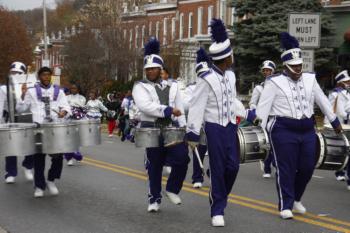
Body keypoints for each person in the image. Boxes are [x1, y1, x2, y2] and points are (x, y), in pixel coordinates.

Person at [256, 32, 342, 219]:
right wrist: (259, 133)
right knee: (286, 168)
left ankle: (296, 198)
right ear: (285, 66)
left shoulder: (310, 79)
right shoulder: (274, 82)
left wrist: (334, 121)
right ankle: (285, 204)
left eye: (300, 65)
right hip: (282, 129)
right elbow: (262, 110)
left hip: (306, 128)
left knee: (307, 166)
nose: (298, 69)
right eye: (293, 66)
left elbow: (323, 101)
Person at [185, 19, 257, 227]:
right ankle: (218, 208)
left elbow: (232, 101)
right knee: (218, 167)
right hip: (214, 128)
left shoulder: (231, 76)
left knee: (233, 167)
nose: (233, 56)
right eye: (231, 54)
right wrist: (193, 133)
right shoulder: (206, 79)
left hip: (230, 126)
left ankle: (218, 193)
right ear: (226, 57)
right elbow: (197, 106)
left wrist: (246, 114)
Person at [132, 38, 189, 213]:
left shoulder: (173, 86)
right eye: (147, 69)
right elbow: (144, 106)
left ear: (160, 69)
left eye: (154, 68)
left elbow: (181, 109)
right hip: (151, 128)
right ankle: (154, 199)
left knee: (182, 159)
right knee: (154, 165)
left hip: (172, 129)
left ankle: (172, 188)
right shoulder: (139, 86)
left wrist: (184, 127)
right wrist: (167, 110)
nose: (150, 72)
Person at [17, 66, 72, 197]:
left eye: (48, 75)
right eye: (43, 75)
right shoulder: (31, 91)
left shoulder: (59, 91)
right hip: (38, 128)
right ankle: (39, 186)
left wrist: (63, 112)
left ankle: (51, 180)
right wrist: (23, 95)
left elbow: (66, 107)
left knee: (58, 157)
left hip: (54, 128)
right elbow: (21, 109)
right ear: (39, 77)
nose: (46, 77)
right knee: (39, 158)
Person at [4, 61, 34, 184]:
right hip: (9, 120)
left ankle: (28, 166)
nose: (15, 75)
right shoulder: (4, 88)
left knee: (31, 146)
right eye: (13, 72)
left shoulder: (31, 87)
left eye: (18, 73)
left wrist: (24, 92)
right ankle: (10, 173)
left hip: (28, 119)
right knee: (10, 147)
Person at [249, 60, 277, 179]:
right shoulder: (259, 88)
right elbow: (252, 103)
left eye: (268, 70)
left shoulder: (278, 85)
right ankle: (267, 168)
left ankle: (276, 164)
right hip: (263, 119)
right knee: (267, 144)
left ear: (273, 71)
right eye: (264, 70)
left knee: (276, 143)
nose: (266, 72)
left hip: (275, 118)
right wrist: (256, 111)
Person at [325, 70, 350, 185]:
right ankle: (339, 172)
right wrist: (348, 115)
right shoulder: (337, 93)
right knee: (341, 147)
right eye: (346, 81)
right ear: (340, 82)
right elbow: (340, 112)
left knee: (346, 148)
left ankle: (344, 170)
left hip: (346, 123)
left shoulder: (346, 93)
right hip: (338, 123)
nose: (348, 83)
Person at [65, 83, 86, 166]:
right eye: (72, 88)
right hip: (68, 118)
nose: (73, 90)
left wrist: (72, 104)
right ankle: (69, 158)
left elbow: (82, 105)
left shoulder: (82, 97)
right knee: (69, 138)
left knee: (77, 137)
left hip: (78, 118)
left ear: (78, 89)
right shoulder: (66, 97)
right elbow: (65, 106)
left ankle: (76, 152)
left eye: (75, 88)